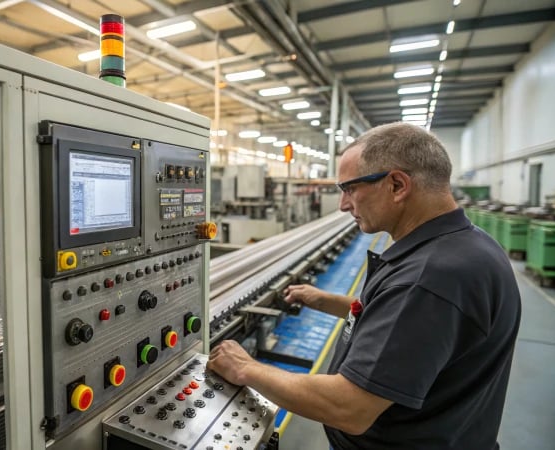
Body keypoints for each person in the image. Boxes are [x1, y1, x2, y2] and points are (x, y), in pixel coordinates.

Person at [207, 122, 521, 450]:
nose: (343, 205)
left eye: (350, 189)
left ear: (397, 185)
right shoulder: (467, 246)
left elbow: (350, 407)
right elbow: (403, 325)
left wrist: (246, 369)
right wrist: (325, 299)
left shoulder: (429, 279)